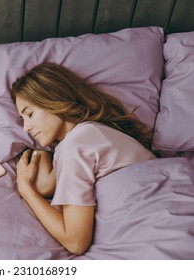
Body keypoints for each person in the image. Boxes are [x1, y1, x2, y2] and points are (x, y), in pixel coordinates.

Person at [10, 62, 156, 255]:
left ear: (54, 99)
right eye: (22, 119)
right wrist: (42, 152)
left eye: (30, 114)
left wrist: (26, 190)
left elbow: (76, 242)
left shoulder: (75, 146)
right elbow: (47, 186)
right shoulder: (90, 132)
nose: (25, 128)